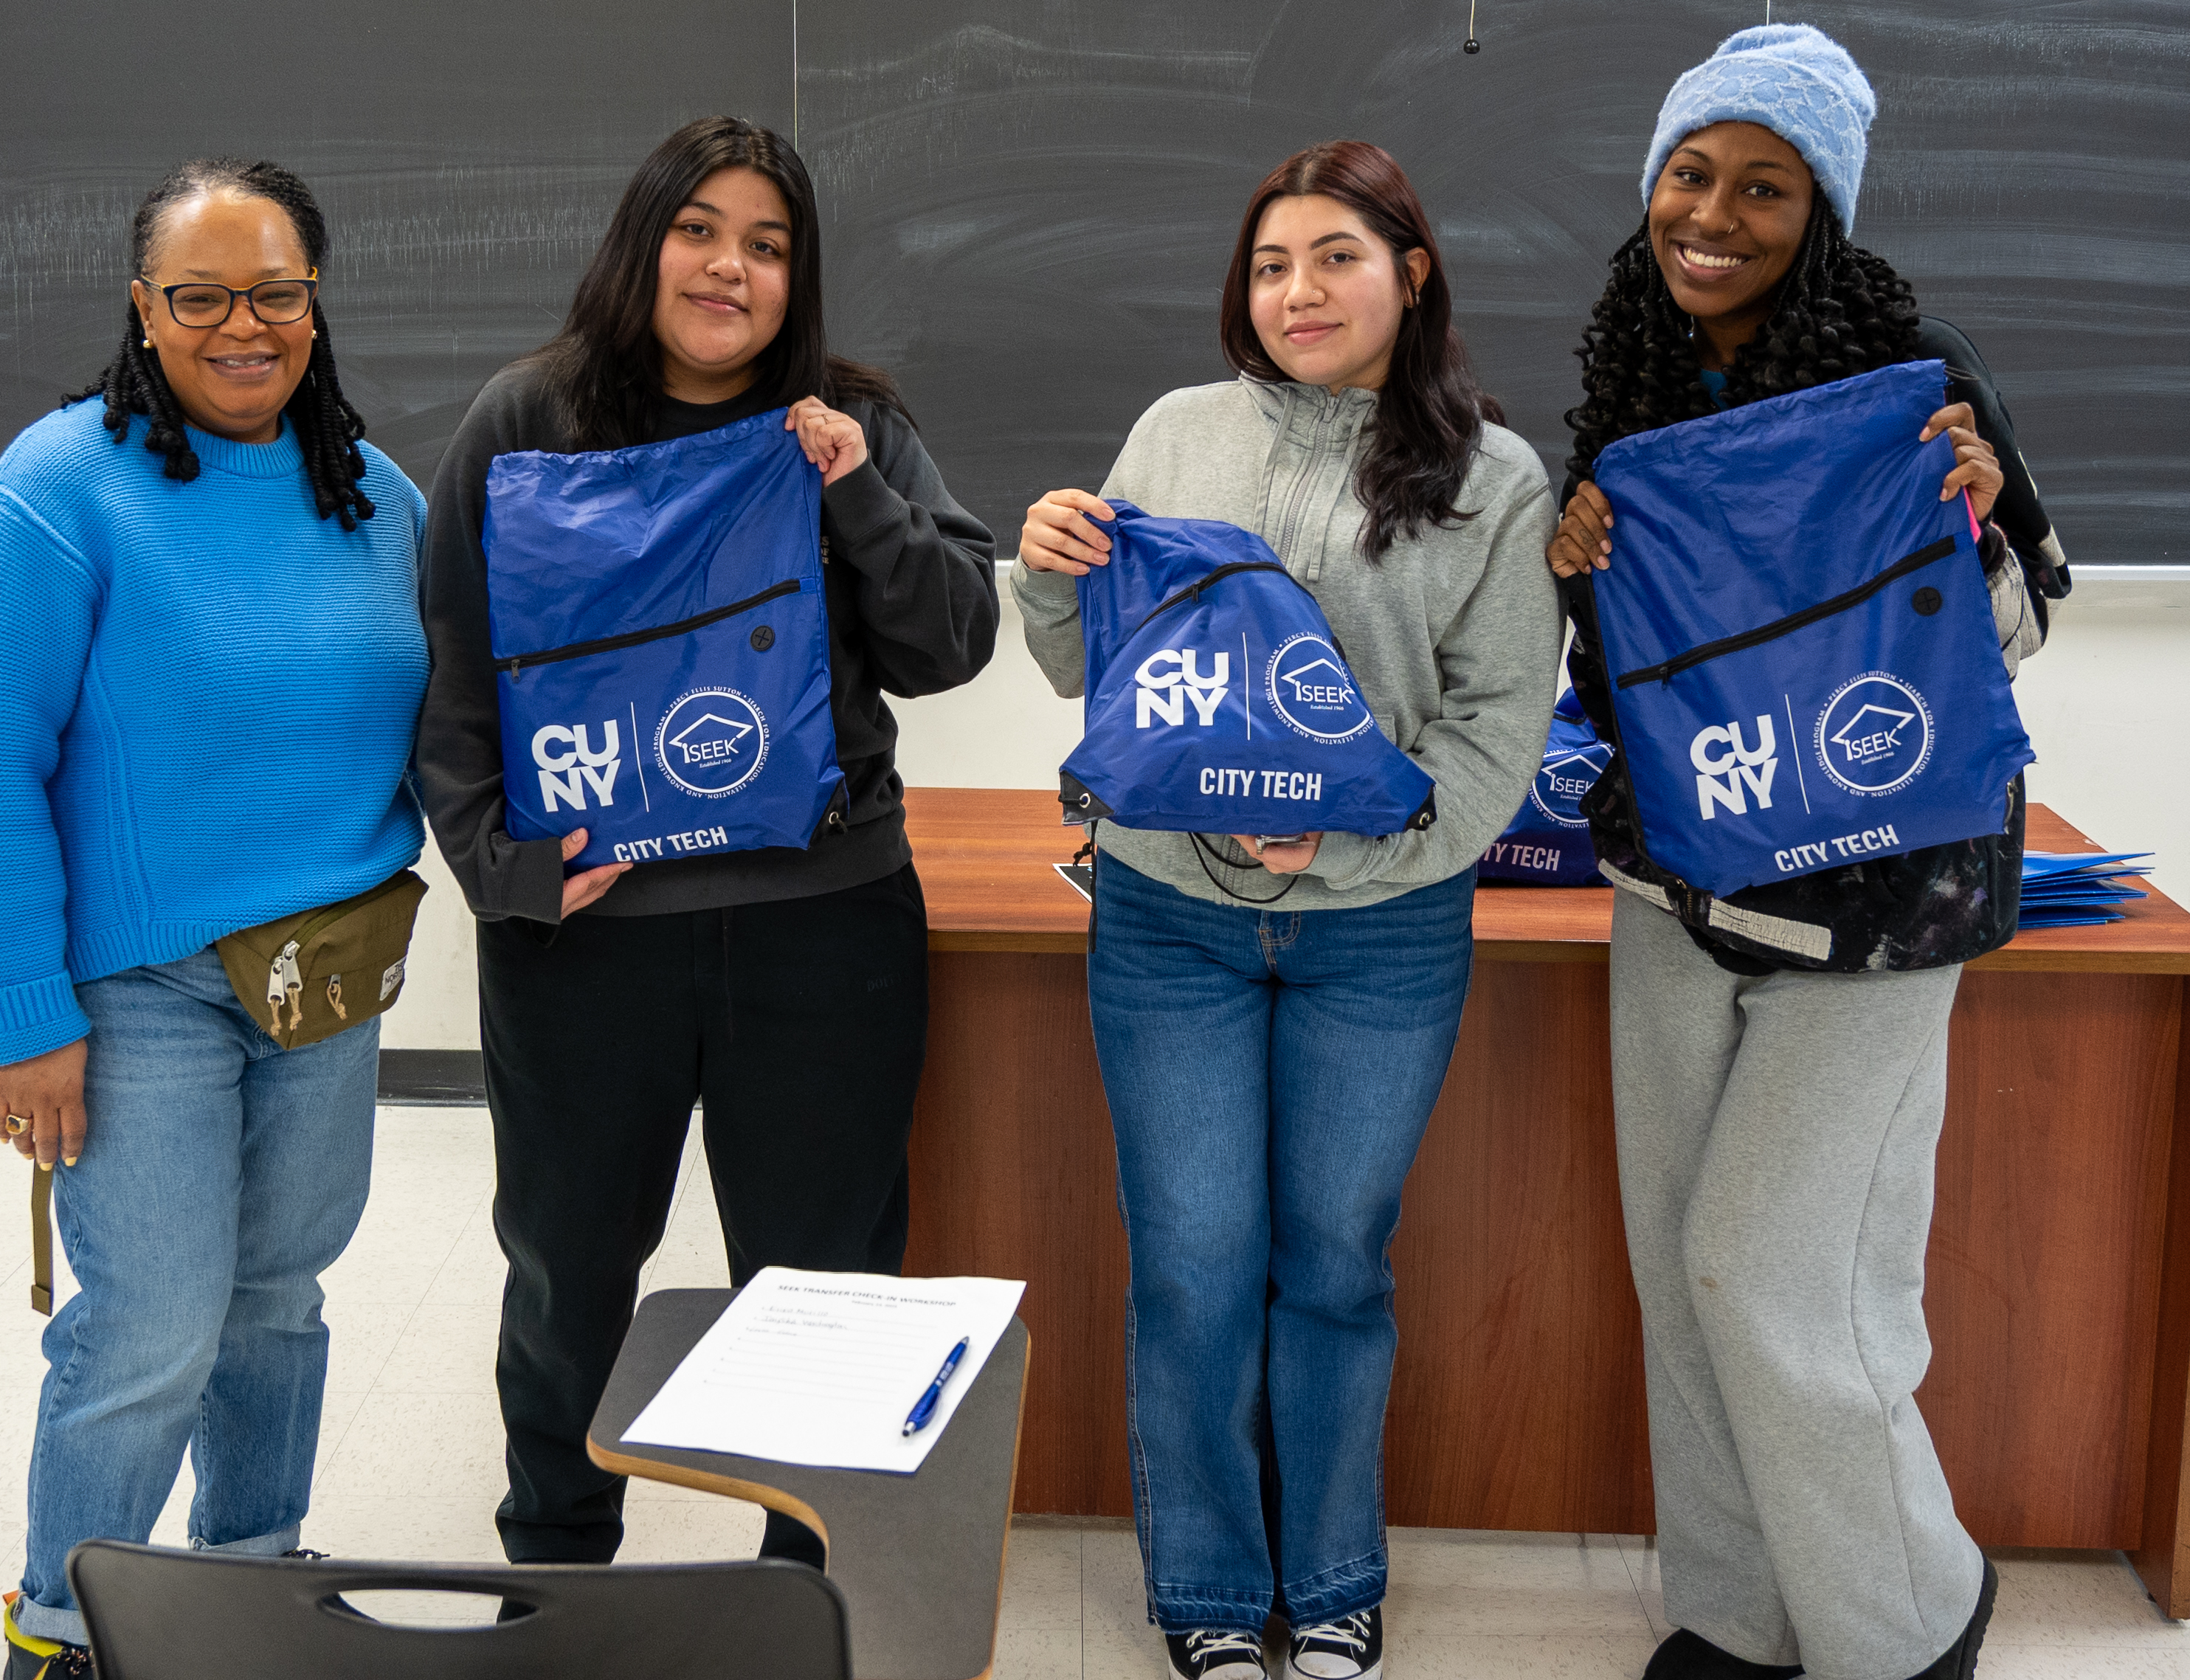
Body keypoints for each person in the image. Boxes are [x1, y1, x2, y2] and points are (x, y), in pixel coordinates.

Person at [1544, 26, 2070, 1680]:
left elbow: (2008, 628)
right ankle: (1741, 1611)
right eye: (1690, 174)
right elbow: (1623, 671)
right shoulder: (1632, 373)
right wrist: (1573, 567)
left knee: (1771, 1270)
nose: (1714, 213)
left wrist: (1975, 517)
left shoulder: (1918, 370)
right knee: (1677, 1275)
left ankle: (1906, 1615)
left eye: (1762, 186)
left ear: (1818, 209)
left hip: (1875, 900)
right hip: (1674, 881)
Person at [415, 114, 997, 1570]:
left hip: (824, 926)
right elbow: (450, 676)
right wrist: (506, 868)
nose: (729, 265)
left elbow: (951, 639)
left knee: (828, 1291)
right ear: (643, 240)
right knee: (566, 1275)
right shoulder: (522, 423)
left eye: (768, 243)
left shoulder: (844, 425)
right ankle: (552, 1572)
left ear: (797, 277)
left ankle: (808, 1584)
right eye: (699, 228)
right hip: (588, 940)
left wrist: (856, 488)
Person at [1015, 141, 1558, 1680]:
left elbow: (1494, 734)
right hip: (1167, 918)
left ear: (1412, 272)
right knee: (1192, 1255)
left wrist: (1340, 855)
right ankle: (1201, 1590)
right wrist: (1047, 567)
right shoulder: (1176, 433)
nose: (1298, 291)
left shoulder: (1498, 481)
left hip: (1382, 939)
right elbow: (1094, 672)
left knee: (1332, 1257)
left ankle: (1327, 1578)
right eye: (1269, 264)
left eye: (1334, 257)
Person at [0, 159, 426, 1679]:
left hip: (323, 972)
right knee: (148, 1326)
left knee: (277, 1302)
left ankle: (251, 1593)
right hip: (140, 987)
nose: (240, 324)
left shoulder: (375, 495)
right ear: (145, 309)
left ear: (316, 306)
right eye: (199, 294)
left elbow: (444, 714)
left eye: (273, 291)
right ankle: (65, 1633)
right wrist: (23, 1019)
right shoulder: (57, 492)